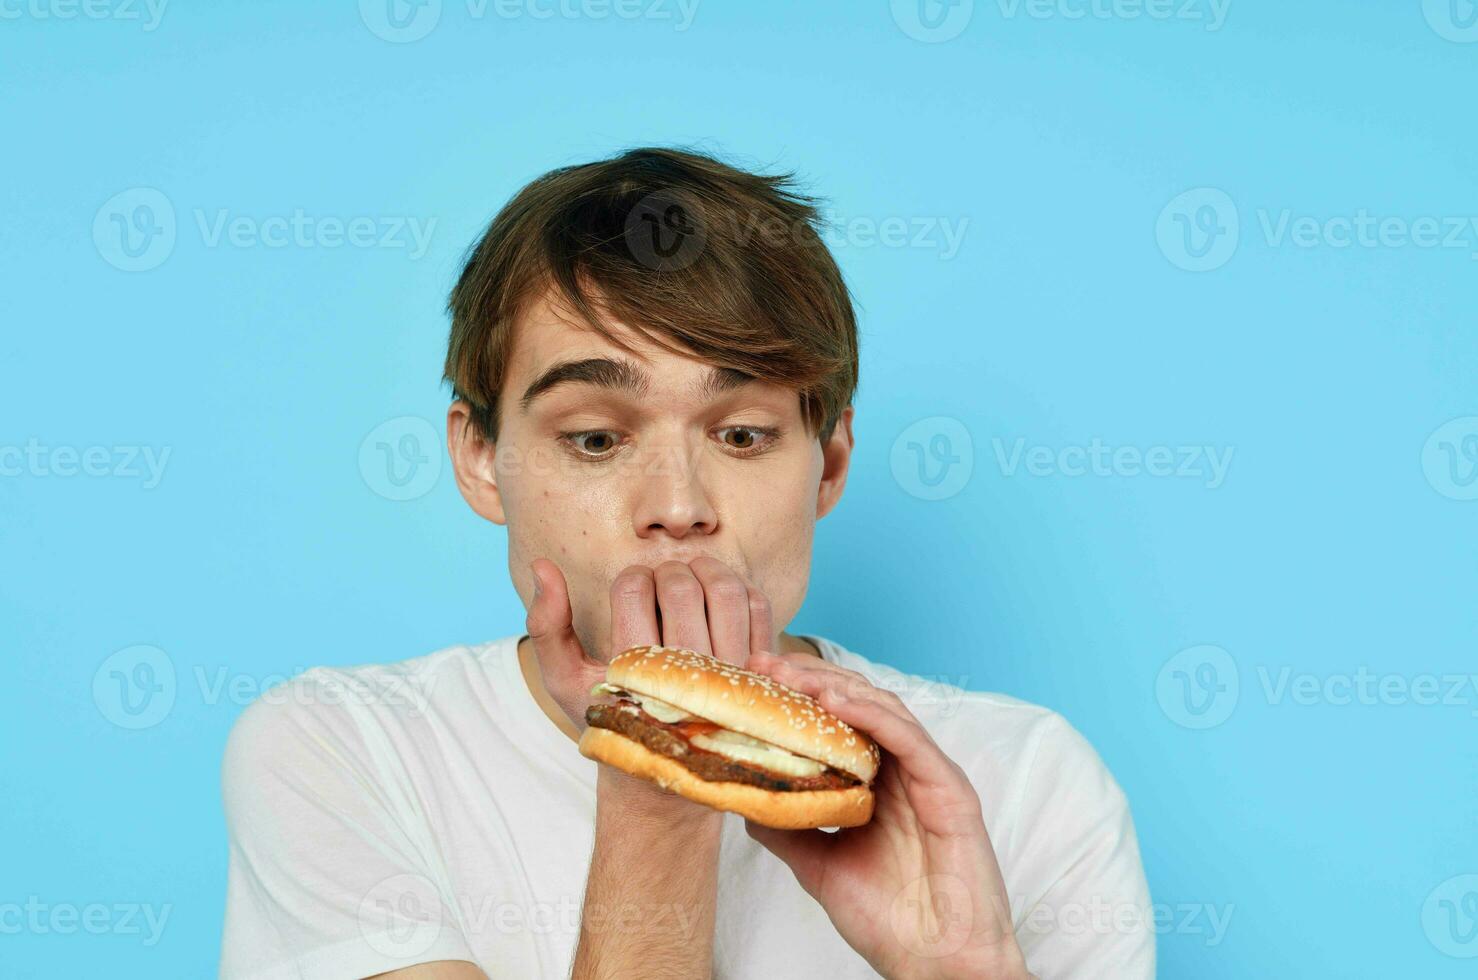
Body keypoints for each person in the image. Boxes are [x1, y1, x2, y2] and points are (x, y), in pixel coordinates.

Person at [219, 147, 1154, 979]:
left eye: (743, 434)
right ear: (480, 459)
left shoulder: (1025, 781)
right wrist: (660, 781)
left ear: (826, 464)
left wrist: (955, 968)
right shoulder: (343, 752)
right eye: (593, 438)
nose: (677, 508)